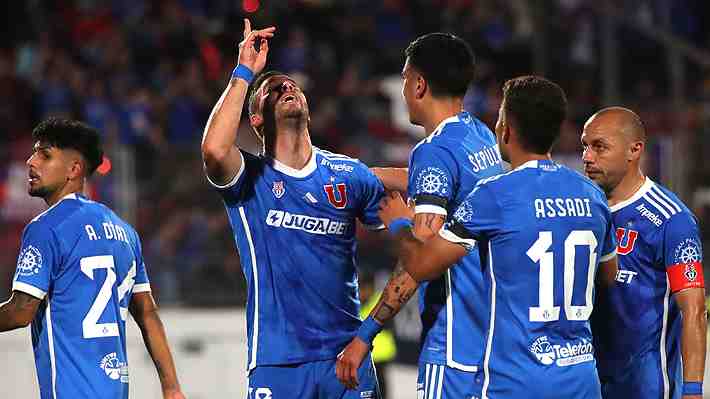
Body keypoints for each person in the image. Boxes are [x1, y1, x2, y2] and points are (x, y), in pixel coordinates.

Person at [377, 76, 619, 398]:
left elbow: (421, 265)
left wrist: (398, 224)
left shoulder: (494, 195)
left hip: (517, 381)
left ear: (507, 129)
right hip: (581, 379)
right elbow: (608, 277)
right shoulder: (593, 196)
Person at [201, 20, 383, 398]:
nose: (287, 87)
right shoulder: (248, 176)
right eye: (274, 89)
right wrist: (244, 72)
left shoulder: (347, 173)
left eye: (292, 86)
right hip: (277, 362)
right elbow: (215, 150)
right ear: (255, 119)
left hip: (347, 357)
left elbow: (405, 199)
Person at [336, 32, 504, 398]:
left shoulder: (433, 150)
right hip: (491, 340)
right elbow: (440, 183)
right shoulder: (478, 135)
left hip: (453, 346)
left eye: (405, 78)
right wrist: (366, 173)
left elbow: (421, 259)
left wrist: (365, 335)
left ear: (419, 84)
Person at [0, 118, 185, 399]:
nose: (30, 161)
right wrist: (171, 388)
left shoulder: (45, 228)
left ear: (74, 169)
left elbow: (20, 311)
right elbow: (147, 312)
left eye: (44, 154)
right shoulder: (125, 232)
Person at [582, 107, 706, 399]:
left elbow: (694, 311)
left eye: (599, 147)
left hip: (644, 387)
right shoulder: (581, 209)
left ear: (634, 150)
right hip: (586, 383)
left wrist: (692, 391)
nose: (587, 157)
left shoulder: (671, 220)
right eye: (584, 146)